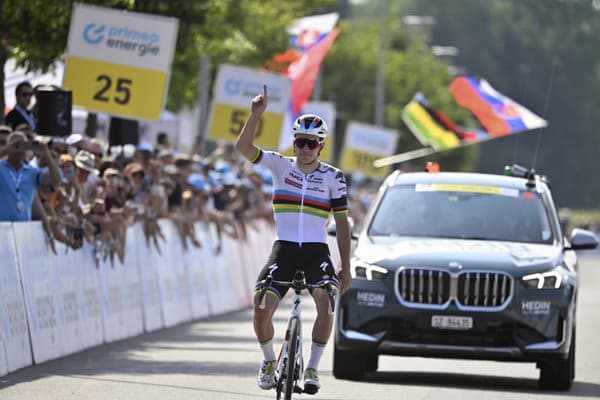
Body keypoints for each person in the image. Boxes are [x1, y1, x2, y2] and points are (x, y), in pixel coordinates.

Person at [235, 84, 352, 394]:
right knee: (261, 306)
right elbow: (243, 149)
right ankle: (269, 361)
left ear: (321, 146)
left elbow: (341, 224)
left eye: (311, 144)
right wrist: (255, 117)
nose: (304, 148)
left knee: (327, 303)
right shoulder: (279, 164)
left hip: (316, 251)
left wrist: (346, 267)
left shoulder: (334, 177)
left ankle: (312, 367)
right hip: (284, 248)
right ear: (294, 142)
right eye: (300, 141)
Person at [0, 131, 61, 221]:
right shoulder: (1, 168)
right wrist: (6, 149)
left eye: (22, 145)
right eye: (15, 146)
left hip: (24, 226)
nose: (18, 149)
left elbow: (55, 182)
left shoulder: (32, 172)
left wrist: (47, 155)